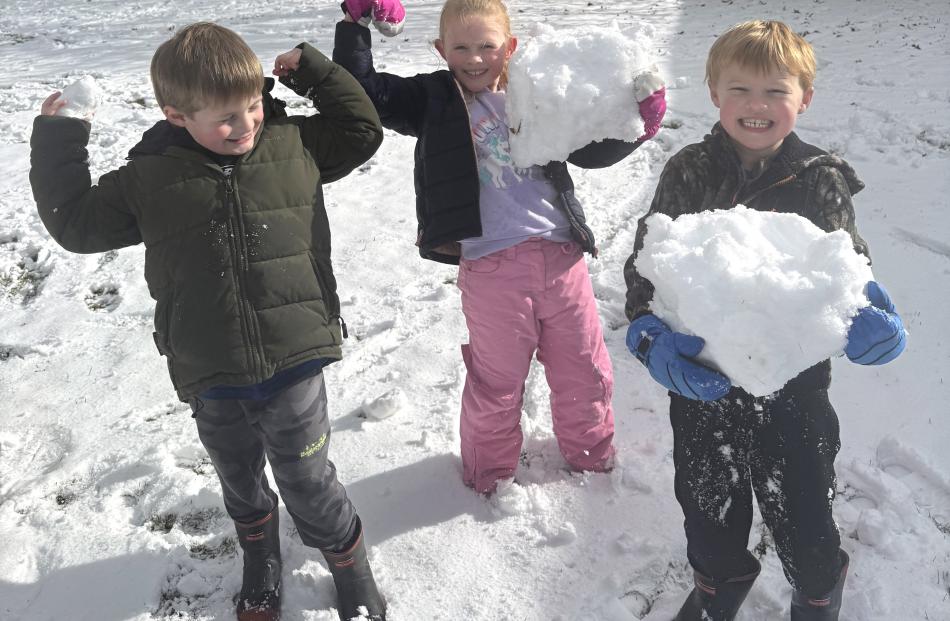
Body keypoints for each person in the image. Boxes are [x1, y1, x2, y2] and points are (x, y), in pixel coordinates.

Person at [30, 22, 388, 621]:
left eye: (252, 105)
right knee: (239, 475)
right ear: (176, 115)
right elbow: (76, 224)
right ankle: (260, 555)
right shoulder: (150, 177)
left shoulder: (292, 144)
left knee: (308, 479)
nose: (246, 125)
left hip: (295, 353)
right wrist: (61, 136)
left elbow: (363, 130)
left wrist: (313, 72)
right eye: (225, 117)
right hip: (210, 366)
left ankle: (348, 561)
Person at [622, 20, 906, 621]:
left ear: (804, 97)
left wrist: (870, 319)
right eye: (740, 90)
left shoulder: (820, 180)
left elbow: (849, 268)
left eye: (775, 91)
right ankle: (717, 585)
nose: (757, 106)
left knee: (805, 511)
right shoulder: (689, 172)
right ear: (714, 94)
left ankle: (817, 591)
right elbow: (650, 265)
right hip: (702, 380)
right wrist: (650, 334)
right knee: (707, 508)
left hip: (795, 388)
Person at [332, 0, 667, 494]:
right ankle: (488, 474)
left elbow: (589, 151)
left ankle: (592, 458)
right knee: (497, 382)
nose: (474, 58)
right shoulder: (433, 99)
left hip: (562, 260)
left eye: (486, 46)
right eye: (461, 47)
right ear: (441, 49)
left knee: (584, 368)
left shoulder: (534, 92)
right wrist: (354, 27)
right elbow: (364, 93)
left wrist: (641, 127)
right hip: (491, 268)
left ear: (508, 47)